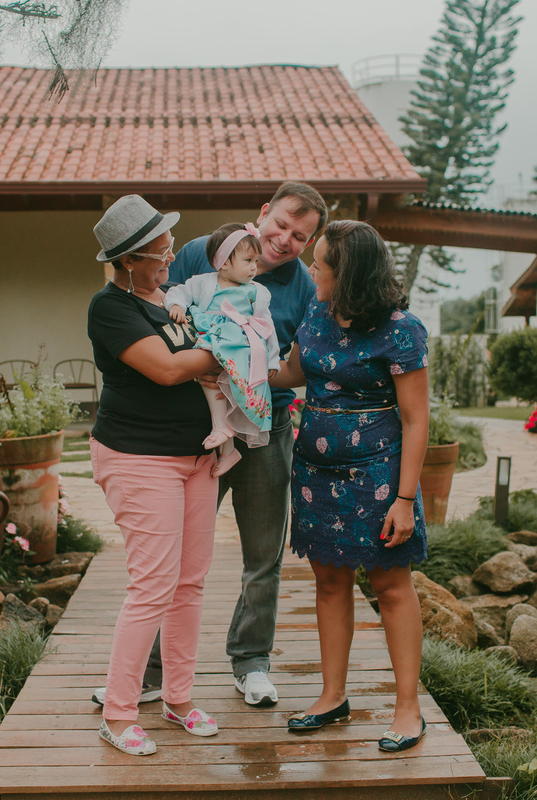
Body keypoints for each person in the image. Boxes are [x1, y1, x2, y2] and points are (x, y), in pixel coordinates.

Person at [163, 182, 328, 706]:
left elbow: (298, 364)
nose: (285, 240)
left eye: (300, 236)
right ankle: (148, 669)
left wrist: (252, 377)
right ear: (263, 213)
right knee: (174, 551)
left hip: (269, 428)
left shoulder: (302, 285)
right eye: (281, 224)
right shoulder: (200, 251)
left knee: (264, 552)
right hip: (200, 425)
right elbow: (162, 318)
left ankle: (251, 660)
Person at [273, 220, 430, 752]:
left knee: (389, 586)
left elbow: (416, 420)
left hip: (380, 476)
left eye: (320, 264)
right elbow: (291, 373)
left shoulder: (401, 329)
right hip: (316, 475)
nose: (311, 269)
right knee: (329, 582)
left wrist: (405, 499)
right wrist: (229, 366)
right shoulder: (317, 311)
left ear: (348, 274)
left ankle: (407, 709)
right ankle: (332, 696)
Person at [87, 195, 222, 756]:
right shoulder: (109, 308)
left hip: (197, 458)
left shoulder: (171, 301)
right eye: (157, 252)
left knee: (189, 585)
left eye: (168, 246)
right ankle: (118, 713)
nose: (169, 257)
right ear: (125, 260)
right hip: (139, 459)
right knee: (152, 586)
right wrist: (226, 352)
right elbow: (167, 370)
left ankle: (178, 699)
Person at [165, 222, 280, 477]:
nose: (254, 267)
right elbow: (178, 291)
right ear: (224, 262)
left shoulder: (257, 293)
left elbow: (266, 327)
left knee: (227, 389)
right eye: (248, 260)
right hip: (216, 343)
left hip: (241, 349)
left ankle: (222, 431)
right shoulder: (204, 283)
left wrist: (272, 361)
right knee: (212, 382)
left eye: (256, 260)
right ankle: (228, 450)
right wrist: (177, 305)